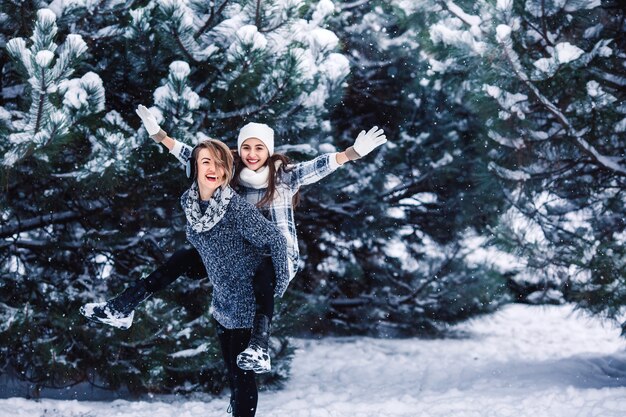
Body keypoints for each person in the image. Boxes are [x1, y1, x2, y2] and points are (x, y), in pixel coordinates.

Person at [81, 105, 387, 374]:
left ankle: (260, 345)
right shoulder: (232, 172)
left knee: (264, 269)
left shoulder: (285, 176)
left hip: (277, 257)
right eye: (246, 148)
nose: (252, 154)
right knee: (184, 257)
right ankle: (124, 306)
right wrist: (159, 135)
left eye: (259, 148)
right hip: (238, 255)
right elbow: (194, 155)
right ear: (238, 150)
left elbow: (320, 166)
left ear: (269, 151)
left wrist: (352, 153)